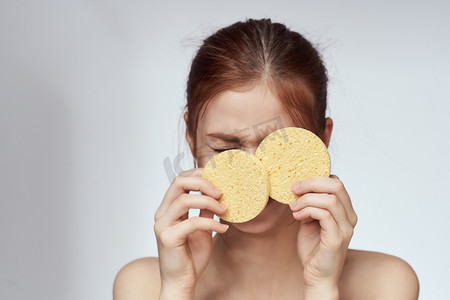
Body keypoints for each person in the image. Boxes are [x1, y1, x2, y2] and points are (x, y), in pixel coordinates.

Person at [113, 18, 419, 299]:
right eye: (224, 149)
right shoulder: (143, 286)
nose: (252, 175)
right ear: (191, 139)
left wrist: (321, 286)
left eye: (278, 149)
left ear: (321, 140)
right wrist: (178, 288)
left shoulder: (384, 284)